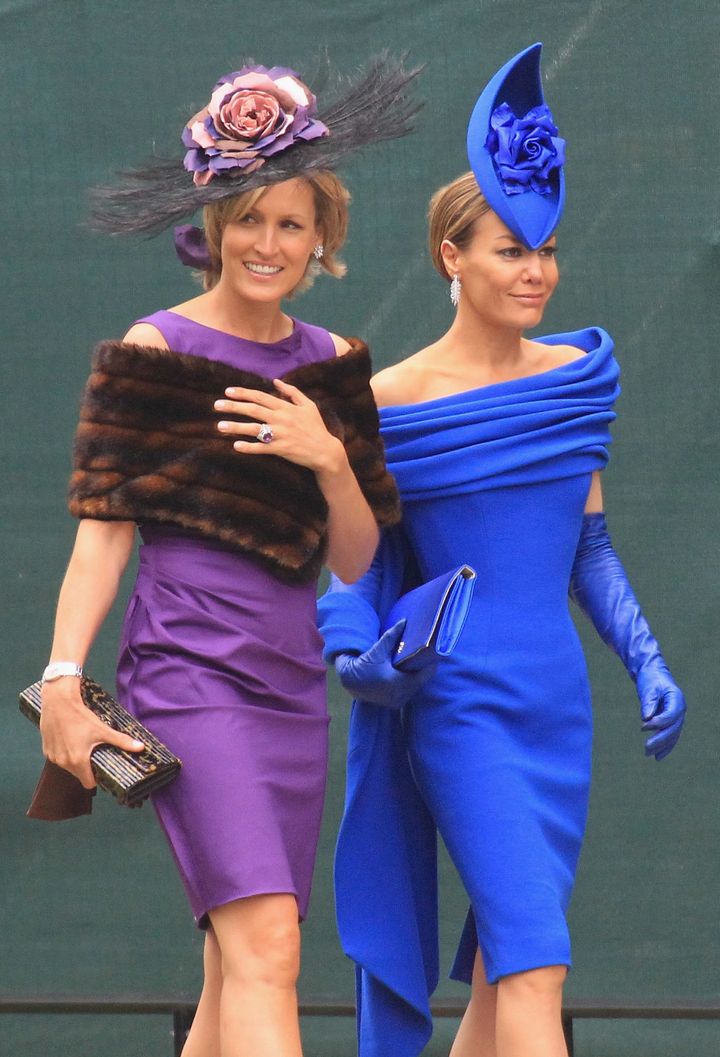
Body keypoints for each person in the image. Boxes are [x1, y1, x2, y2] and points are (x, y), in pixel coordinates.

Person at [36, 59, 420, 1057]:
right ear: (212, 224)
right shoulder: (157, 346)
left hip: (291, 688)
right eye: (247, 219)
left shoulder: (333, 364)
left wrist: (331, 461)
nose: (266, 242)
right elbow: (104, 531)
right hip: (185, 673)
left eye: (290, 223)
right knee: (270, 952)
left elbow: (355, 558)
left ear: (322, 237)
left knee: (235, 965)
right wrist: (65, 680)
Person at [317, 44, 686, 1057]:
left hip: (557, 704)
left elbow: (590, 549)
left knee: (499, 974)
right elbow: (355, 558)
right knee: (535, 963)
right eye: (511, 250)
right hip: (462, 701)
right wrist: (362, 656)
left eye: (548, 249)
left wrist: (646, 658)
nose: (537, 271)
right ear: (452, 256)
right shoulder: (388, 397)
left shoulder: (574, 377)